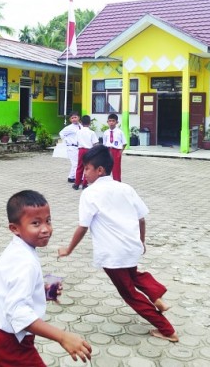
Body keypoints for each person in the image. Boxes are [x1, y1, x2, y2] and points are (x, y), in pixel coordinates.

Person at [58, 145, 178, 342]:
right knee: (135, 276)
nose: (84, 173)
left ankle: (167, 330)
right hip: (131, 248)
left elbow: (83, 227)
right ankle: (157, 299)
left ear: (100, 170)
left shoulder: (89, 193)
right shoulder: (125, 188)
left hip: (112, 254)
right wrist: (141, 241)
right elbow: (141, 219)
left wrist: (68, 249)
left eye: (87, 168)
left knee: (129, 293)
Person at [0, 190, 92, 366]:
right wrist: (62, 337)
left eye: (48, 221)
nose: (45, 229)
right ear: (15, 228)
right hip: (9, 342)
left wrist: (41, 290)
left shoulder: (18, 249)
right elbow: (18, 313)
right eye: (35, 223)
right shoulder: (25, 263)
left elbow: (10, 287)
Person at [72, 115, 99, 190]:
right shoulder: (91, 132)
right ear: (90, 123)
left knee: (79, 166)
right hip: (89, 150)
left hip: (81, 150)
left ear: (81, 122)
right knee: (87, 167)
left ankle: (77, 183)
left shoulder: (78, 132)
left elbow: (76, 141)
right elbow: (95, 143)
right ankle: (84, 184)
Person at [102, 113, 126, 181]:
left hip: (116, 151)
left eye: (113, 121)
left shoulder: (120, 132)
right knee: (106, 167)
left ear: (116, 122)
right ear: (107, 122)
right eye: (110, 121)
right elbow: (104, 143)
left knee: (116, 168)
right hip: (108, 150)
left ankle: (117, 182)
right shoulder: (106, 132)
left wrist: (120, 152)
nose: (111, 123)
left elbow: (124, 143)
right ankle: (107, 182)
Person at [59, 112, 81, 183]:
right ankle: (71, 177)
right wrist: (67, 140)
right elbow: (61, 133)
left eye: (75, 117)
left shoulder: (81, 126)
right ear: (70, 120)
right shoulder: (69, 128)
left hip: (79, 147)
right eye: (72, 118)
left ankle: (73, 177)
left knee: (79, 163)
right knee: (75, 163)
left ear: (78, 117)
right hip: (72, 147)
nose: (74, 119)